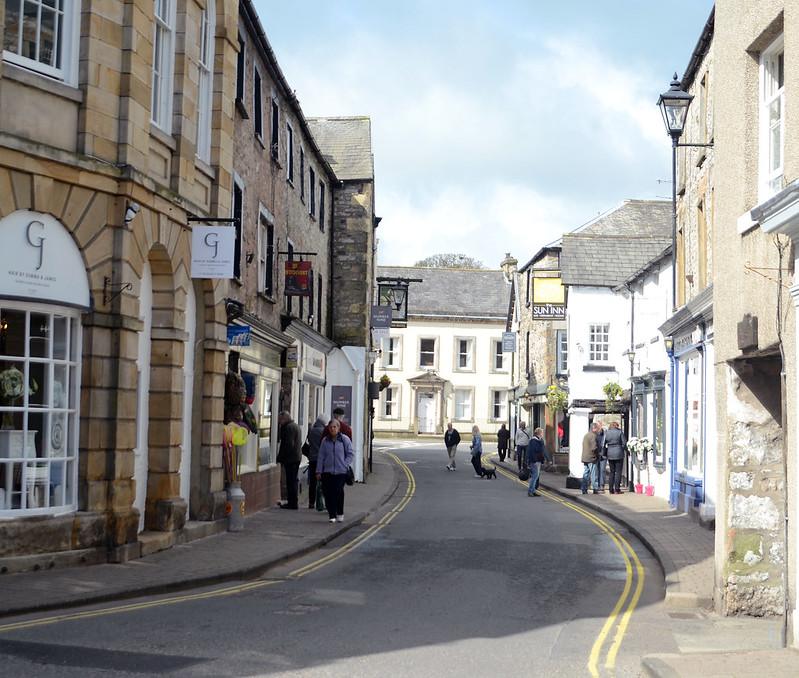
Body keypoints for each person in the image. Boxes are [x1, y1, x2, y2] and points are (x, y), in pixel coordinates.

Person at [316, 418, 354, 523]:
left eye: (334, 427)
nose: (332, 429)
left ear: (338, 428)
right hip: (327, 472)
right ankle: (331, 515)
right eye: (330, 427)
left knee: (338, 492)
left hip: (340, 472)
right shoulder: (325, 441)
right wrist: (319, 471)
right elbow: (321, 457)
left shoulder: (344, 439)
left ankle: (340, 512)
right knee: (328, 493)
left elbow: (350, 454)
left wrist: (344, 464)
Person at [277, 411, 303, 509]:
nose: (279, 422)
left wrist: (282, 457)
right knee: (292, 480)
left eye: (280, 420)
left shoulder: (289, 428)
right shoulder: (295, 426)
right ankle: (292, 502)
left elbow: (288, 445)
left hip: (291, 459)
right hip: (296, 457)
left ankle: (292, 503)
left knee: (291, 481)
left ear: (284, 418)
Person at [306, 415, 327, 509]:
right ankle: (322, 502)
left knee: (312, 482)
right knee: (323, 482)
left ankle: (311, 502)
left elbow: (309, 442)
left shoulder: (311, 430)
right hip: (321, 460)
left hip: (312, 459)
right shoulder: (323, 432)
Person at [603, 421, 628, 494]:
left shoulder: (607, 433)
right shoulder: (619, 432)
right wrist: (624, 449)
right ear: (616, 426)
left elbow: (603, 444)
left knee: (612, 472)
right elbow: (624, 443)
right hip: (619, 453)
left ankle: (611, 489)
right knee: (618, 472)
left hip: (610, 453)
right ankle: (617, 489)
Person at [581, 421, 602, 495]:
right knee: (594, 474)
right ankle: (595, 488)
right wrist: (598, 454)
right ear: (594, 428)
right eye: (597, 428)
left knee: (586, 474)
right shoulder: (593, 436)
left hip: (585, 457)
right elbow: (594, 448)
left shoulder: (586, 435)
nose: (598, 430)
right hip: (591, 458)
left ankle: (584, 489)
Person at [526, 427, 546, 496]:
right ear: (539, 433)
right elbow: (532, 451)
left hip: (538, 460)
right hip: (535, 461)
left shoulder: (539, 440)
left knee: (536, 476)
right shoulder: (534, 441)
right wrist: (533, 460)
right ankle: (530, 491)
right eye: (542, 433)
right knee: (534, 476)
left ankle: (533, 490)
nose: (543, 434)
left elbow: (543, 450)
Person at [595, 422, 607, 492]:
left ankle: (601, 485)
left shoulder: (605, 433)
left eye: (599, 425)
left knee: (602, 470)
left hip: (603, 454)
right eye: (597, 426)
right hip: (596, 454)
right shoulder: (594, 434)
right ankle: (596, 485)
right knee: (596, 470)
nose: (598, 427)